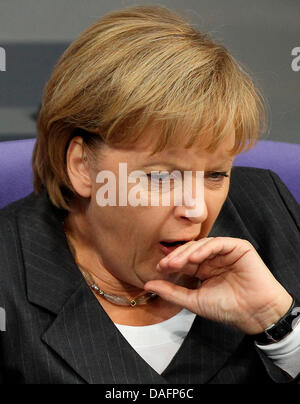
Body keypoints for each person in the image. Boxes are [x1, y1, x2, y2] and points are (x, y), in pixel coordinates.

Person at [0, 5, 300, 385]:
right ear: (81, 166)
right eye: (161, 176)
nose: (195, 209)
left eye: (216, 174)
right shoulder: (8, 275)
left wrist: (278, 325)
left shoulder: (266, 209)